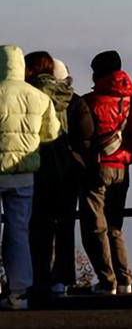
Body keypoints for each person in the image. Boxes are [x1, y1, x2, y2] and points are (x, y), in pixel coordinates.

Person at [0, 45, 61, 310]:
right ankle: (18, 294)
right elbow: (51, 134)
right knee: (19, 231)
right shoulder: (37, 96)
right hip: (25, 174)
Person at [77, 51, 132, 296]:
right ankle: (125, 280)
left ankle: (107, 282)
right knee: (115, 226)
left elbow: (83, 136)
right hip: (122, 168)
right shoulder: (131, 100)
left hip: (98, 167)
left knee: (95, 228)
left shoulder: (90, 101)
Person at [24, 52, 80, 297]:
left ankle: (39, 279)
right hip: (68, 168)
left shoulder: (32, 96)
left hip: (39, 167)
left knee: (39, 226)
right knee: (65, 226)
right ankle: (63, 280)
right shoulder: (73, 98)